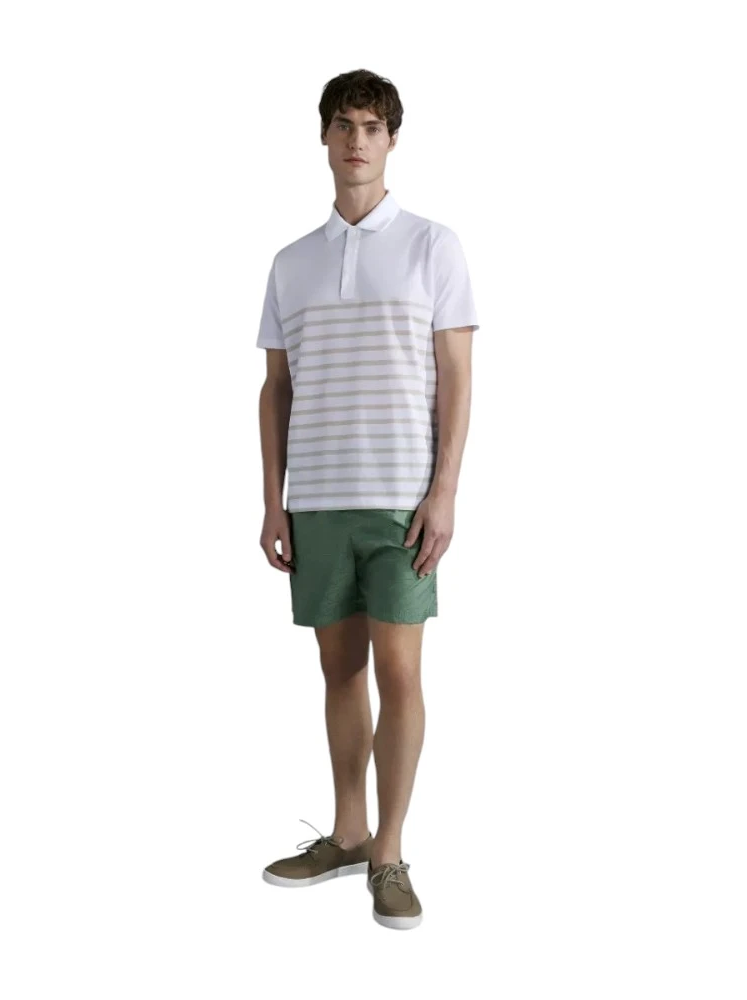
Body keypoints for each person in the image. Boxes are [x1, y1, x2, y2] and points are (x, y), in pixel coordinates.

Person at [255, 69, 479, 930]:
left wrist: (445, 491)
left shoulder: (433, 246)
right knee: (338, 670)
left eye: (373, 127)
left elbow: (456, 374)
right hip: (317, 499)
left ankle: (389, 851)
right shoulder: (291, 262)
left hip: (400, 503)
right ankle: (347, 834)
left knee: (401, 672)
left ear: (392, 140)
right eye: (344, 125)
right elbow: (275, 388)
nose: (357, 141)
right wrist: (273, 501)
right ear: (323, 136)